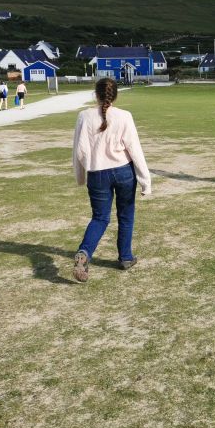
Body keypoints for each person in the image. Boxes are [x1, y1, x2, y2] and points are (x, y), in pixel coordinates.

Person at [72, 77, 151, 282]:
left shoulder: (84, 116)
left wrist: (81, 176)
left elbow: (79, 151)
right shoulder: (125, 116)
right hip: (124, 172)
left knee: (100, 218)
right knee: (126, 215)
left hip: (97, 174)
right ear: (115, 95)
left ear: (96, 94)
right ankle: (125, 257)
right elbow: (135, 149)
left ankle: (84, 253)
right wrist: (145, 180)